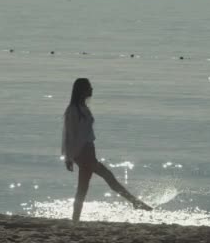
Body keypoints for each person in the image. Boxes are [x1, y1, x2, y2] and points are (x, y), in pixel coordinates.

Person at [62, 78, 153, 222]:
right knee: (108, 178)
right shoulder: (73, 110)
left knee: (84, 187)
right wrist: (68, 157)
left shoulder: (83, 108)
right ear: (81, 90)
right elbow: (68, 135)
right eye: (89, 87)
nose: (91, 89)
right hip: (83, 153)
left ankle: (75, 220)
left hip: (89, 151)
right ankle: (135, 203)